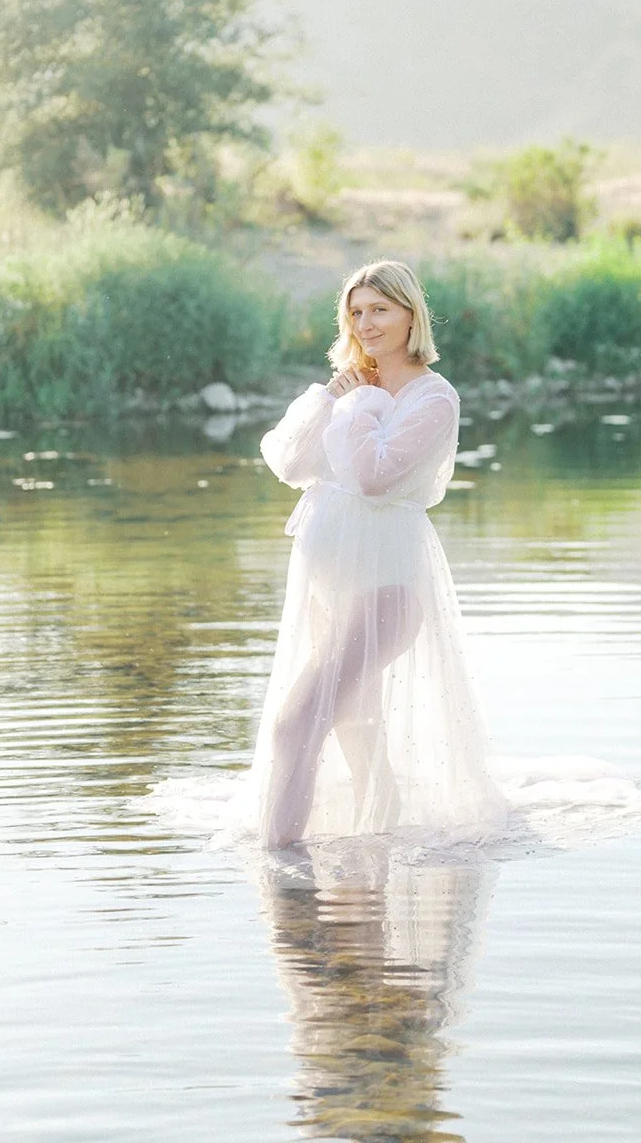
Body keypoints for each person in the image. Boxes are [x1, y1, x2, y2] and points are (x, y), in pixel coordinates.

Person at [247, 259, 505, 848]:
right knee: (355, 729)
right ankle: (375, 854)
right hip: (325, 585)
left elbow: (373, 478)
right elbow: (289, 464)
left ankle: (280, 875)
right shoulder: (346, 391)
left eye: (380, 310)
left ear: (411, 314)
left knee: (295, 726)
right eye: (356, 312)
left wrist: (357, 407)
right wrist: (328, 398)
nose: (366, 324)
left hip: (385, 587)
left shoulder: (433, 399)